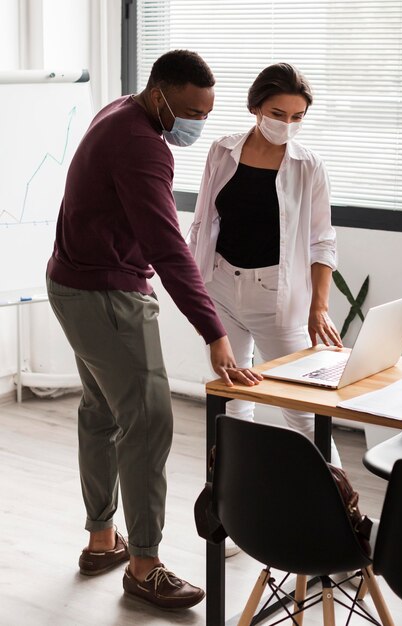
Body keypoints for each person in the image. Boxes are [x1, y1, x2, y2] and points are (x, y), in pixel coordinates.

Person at [46, 49, 261, 611]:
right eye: (191, 110)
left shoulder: (121, 111)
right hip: (108, 295)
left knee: (100, 411)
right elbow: (168, 246)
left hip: (71, 284)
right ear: (161, 94)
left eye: (208, 114)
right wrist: (214, 332)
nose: (197, 124)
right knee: (147, 422)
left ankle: (101, 540)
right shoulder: (143, 145)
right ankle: (144, 563)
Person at [188, 63, 344, 468]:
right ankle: (236, 503)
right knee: (232, 404)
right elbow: (203, 222)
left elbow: (321, 241)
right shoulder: (222, 151)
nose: (287, 125)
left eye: (297, 117)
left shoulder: (308, 166)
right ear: (255, 107)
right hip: (222, 288)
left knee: (304, 412)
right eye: (278, 115)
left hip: (277, 297)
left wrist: (318, 306)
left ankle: (346, 513)